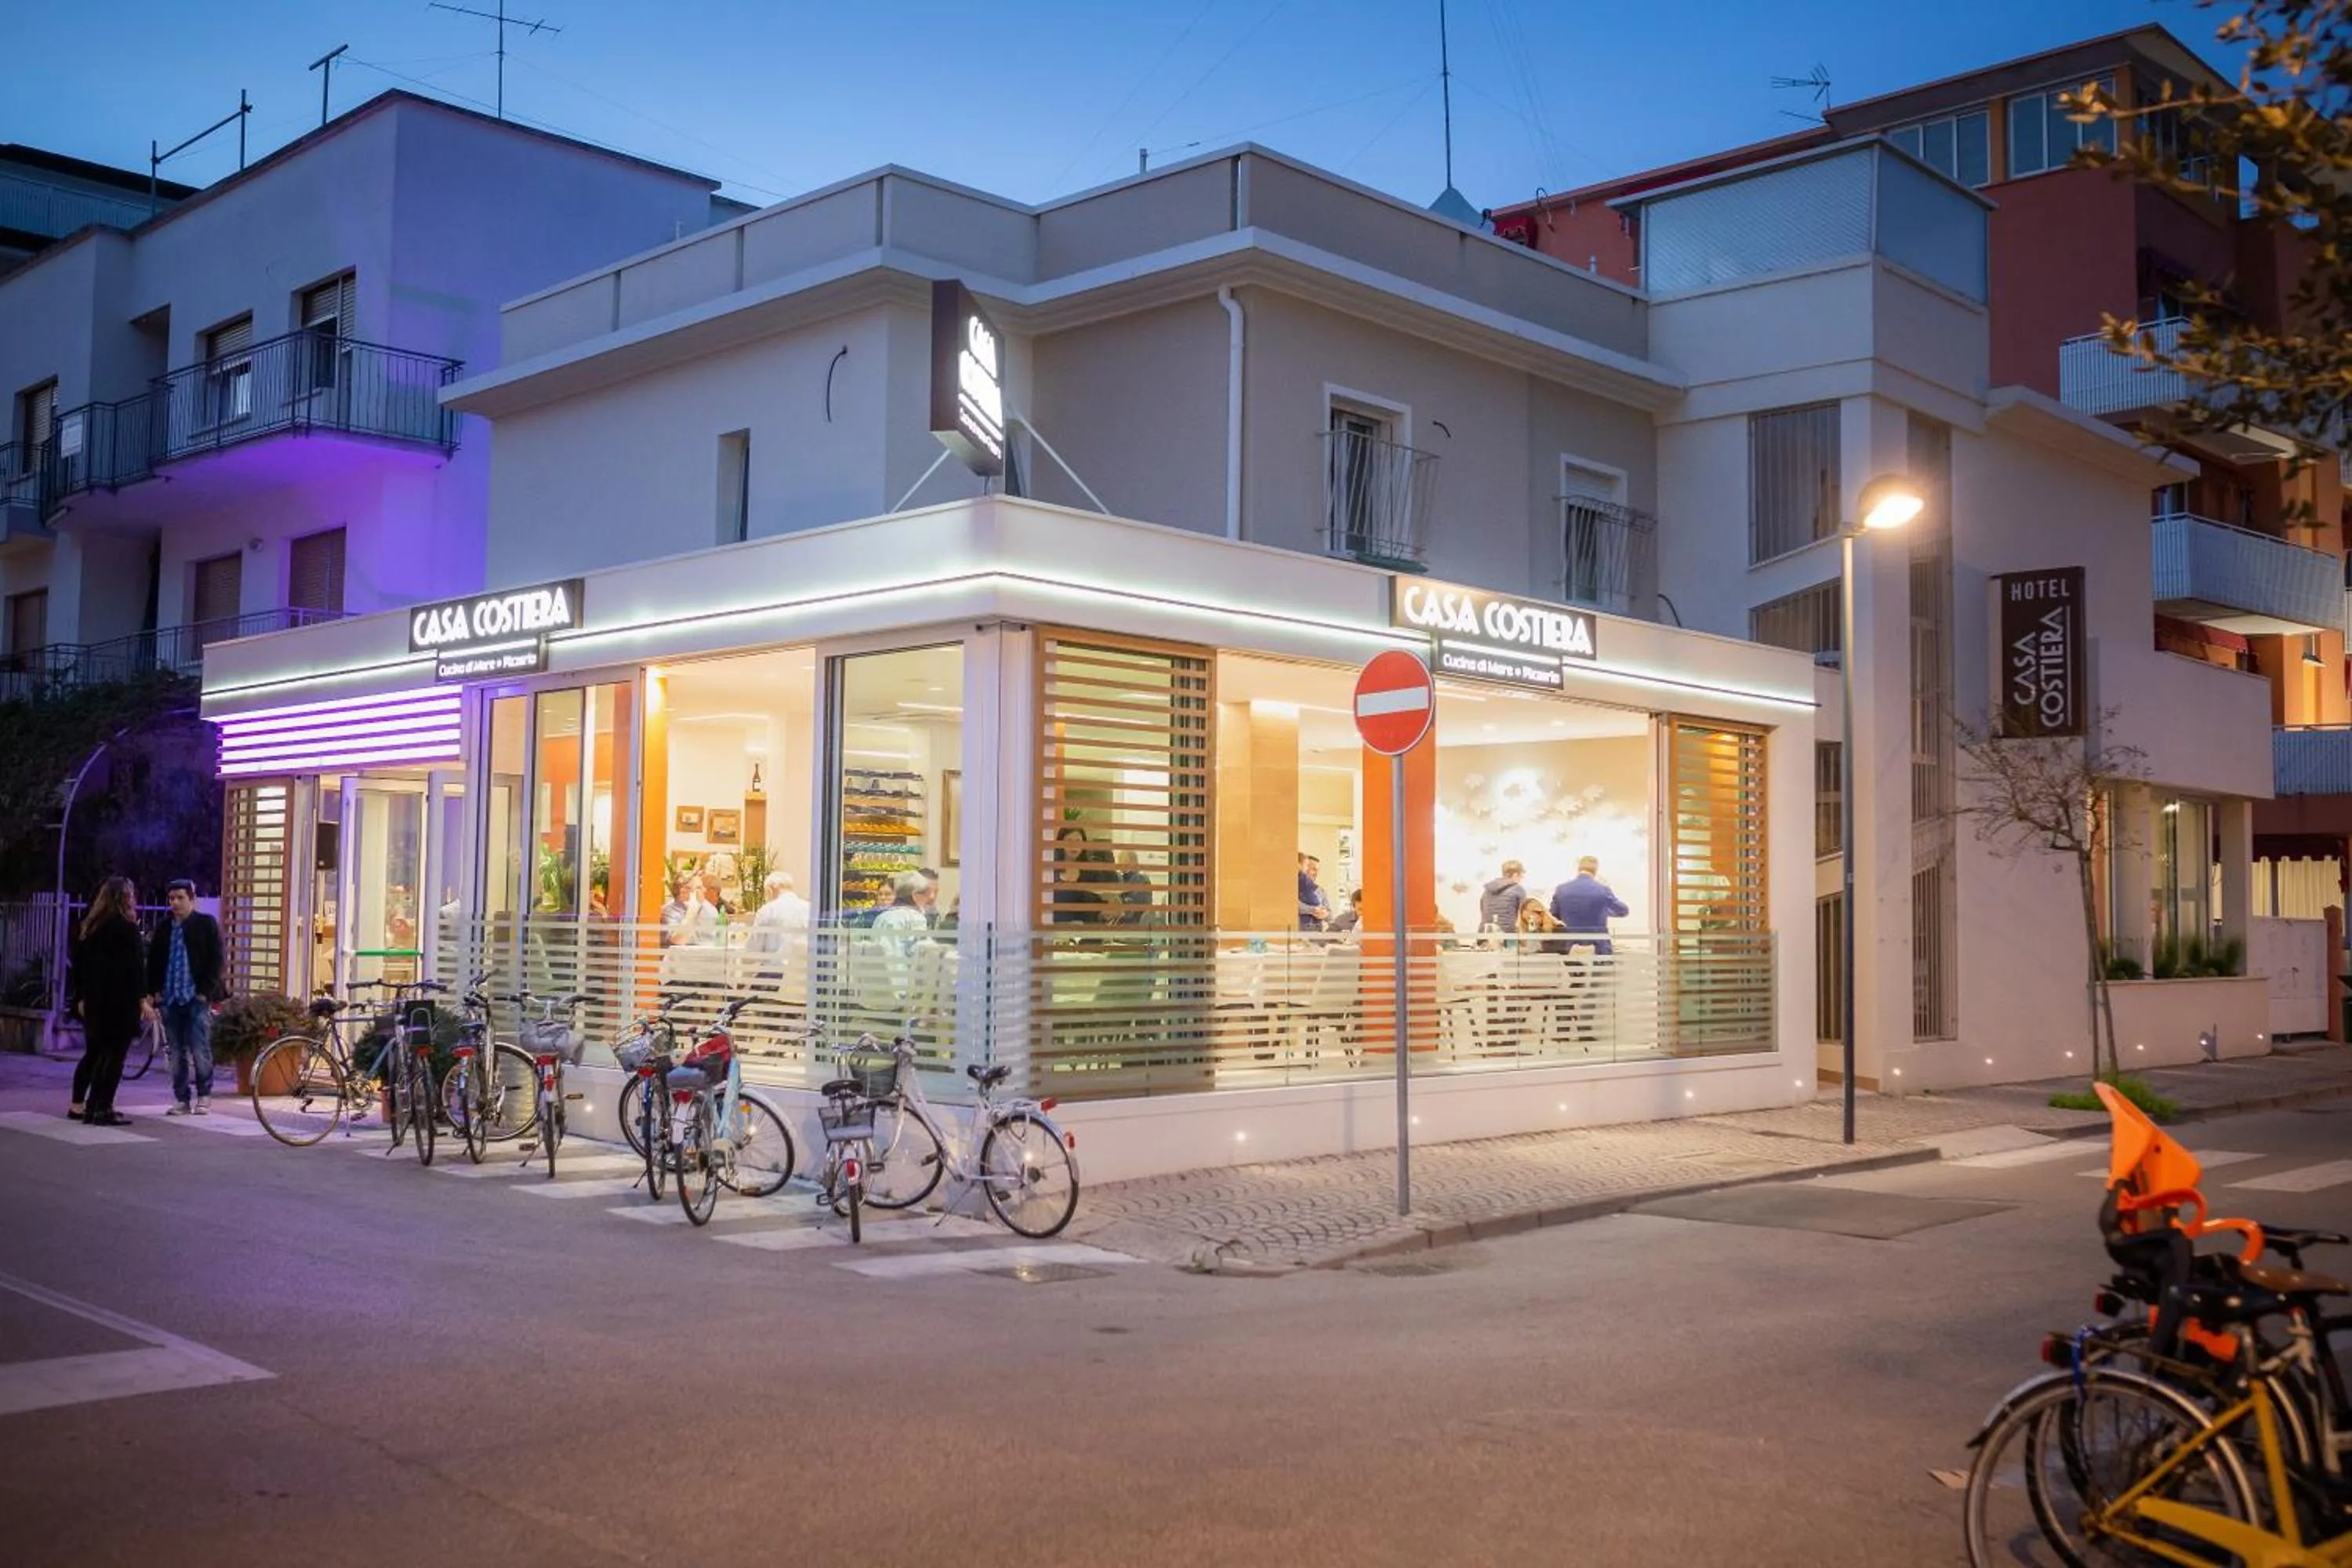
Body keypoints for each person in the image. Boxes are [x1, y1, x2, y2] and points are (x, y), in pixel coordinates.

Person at [68, 877, 146, 1126]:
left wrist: (80, 996)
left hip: (95, 1001)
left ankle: (91, 1107)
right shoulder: (128, 929)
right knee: (114, 1057)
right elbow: (135, 970)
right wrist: (142, 999)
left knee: (99, 1053)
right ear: (125, 898)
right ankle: (102, 1107)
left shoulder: (91, 928)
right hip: (120, 1002)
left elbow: (78, 968)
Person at [145, 877, 226, 1116]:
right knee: (177, 1052)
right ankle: (182, 1098)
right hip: (170, 997)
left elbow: (216, 960)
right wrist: (152, 991)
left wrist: (205, 992)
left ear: (192, 899)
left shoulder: (205, 924)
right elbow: (154, 962)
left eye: (180, 898)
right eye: (171, 898)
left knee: (199, 1048)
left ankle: (204, 1095)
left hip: (195, 997)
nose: (175, 903)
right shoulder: (164, 927)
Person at [1548, 856, 1629, 954]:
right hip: (1599, 949)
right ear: (1596, 870)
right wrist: (1604, 911)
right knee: (1602, 967)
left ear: (1579, 869)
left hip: (1568, 948)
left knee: (1570, 969)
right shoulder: (1602, 890)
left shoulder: (1562, 890)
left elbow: (1553, 915)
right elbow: (1623, 911)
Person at [750, 871, 810, 949]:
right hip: (806, 961)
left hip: (776, 961)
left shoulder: (767, 911)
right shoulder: (809, 908)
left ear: (770, 890)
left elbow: (752, 950)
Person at [1479, 860, 1533, 936]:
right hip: (1509, 938)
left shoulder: (1486, 892)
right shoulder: (1518, 889)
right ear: (1515, 874)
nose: (1521, 878)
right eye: (1521, 875)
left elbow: (1483, 912)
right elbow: (1524, 917)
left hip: (1484, 936)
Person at [1116, 850, 1152, 925]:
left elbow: (1138, 901)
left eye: (1124, 860)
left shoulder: (1141, 878)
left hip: (1134, 922)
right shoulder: (1122, 878)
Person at [1297, 852, 1331, 931]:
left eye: (1318, 870)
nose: (1316, 874)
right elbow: (1293, 906)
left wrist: (1325, 914)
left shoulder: (1321, 890)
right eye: (1313, 869)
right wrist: (1314, 910)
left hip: (1316, 936)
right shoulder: (1289, 888)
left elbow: (1330, 916)